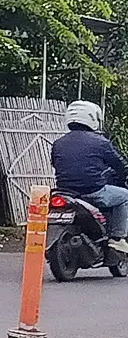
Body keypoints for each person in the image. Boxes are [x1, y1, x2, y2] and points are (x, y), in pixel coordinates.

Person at [51, 100, 128, 253]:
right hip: (93, 191)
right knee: (125, 196)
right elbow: (120, 165)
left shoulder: (58, 143)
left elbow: (55, 164)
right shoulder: (101, 142)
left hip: (64, 192)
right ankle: (118, 238)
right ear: (93, 118)